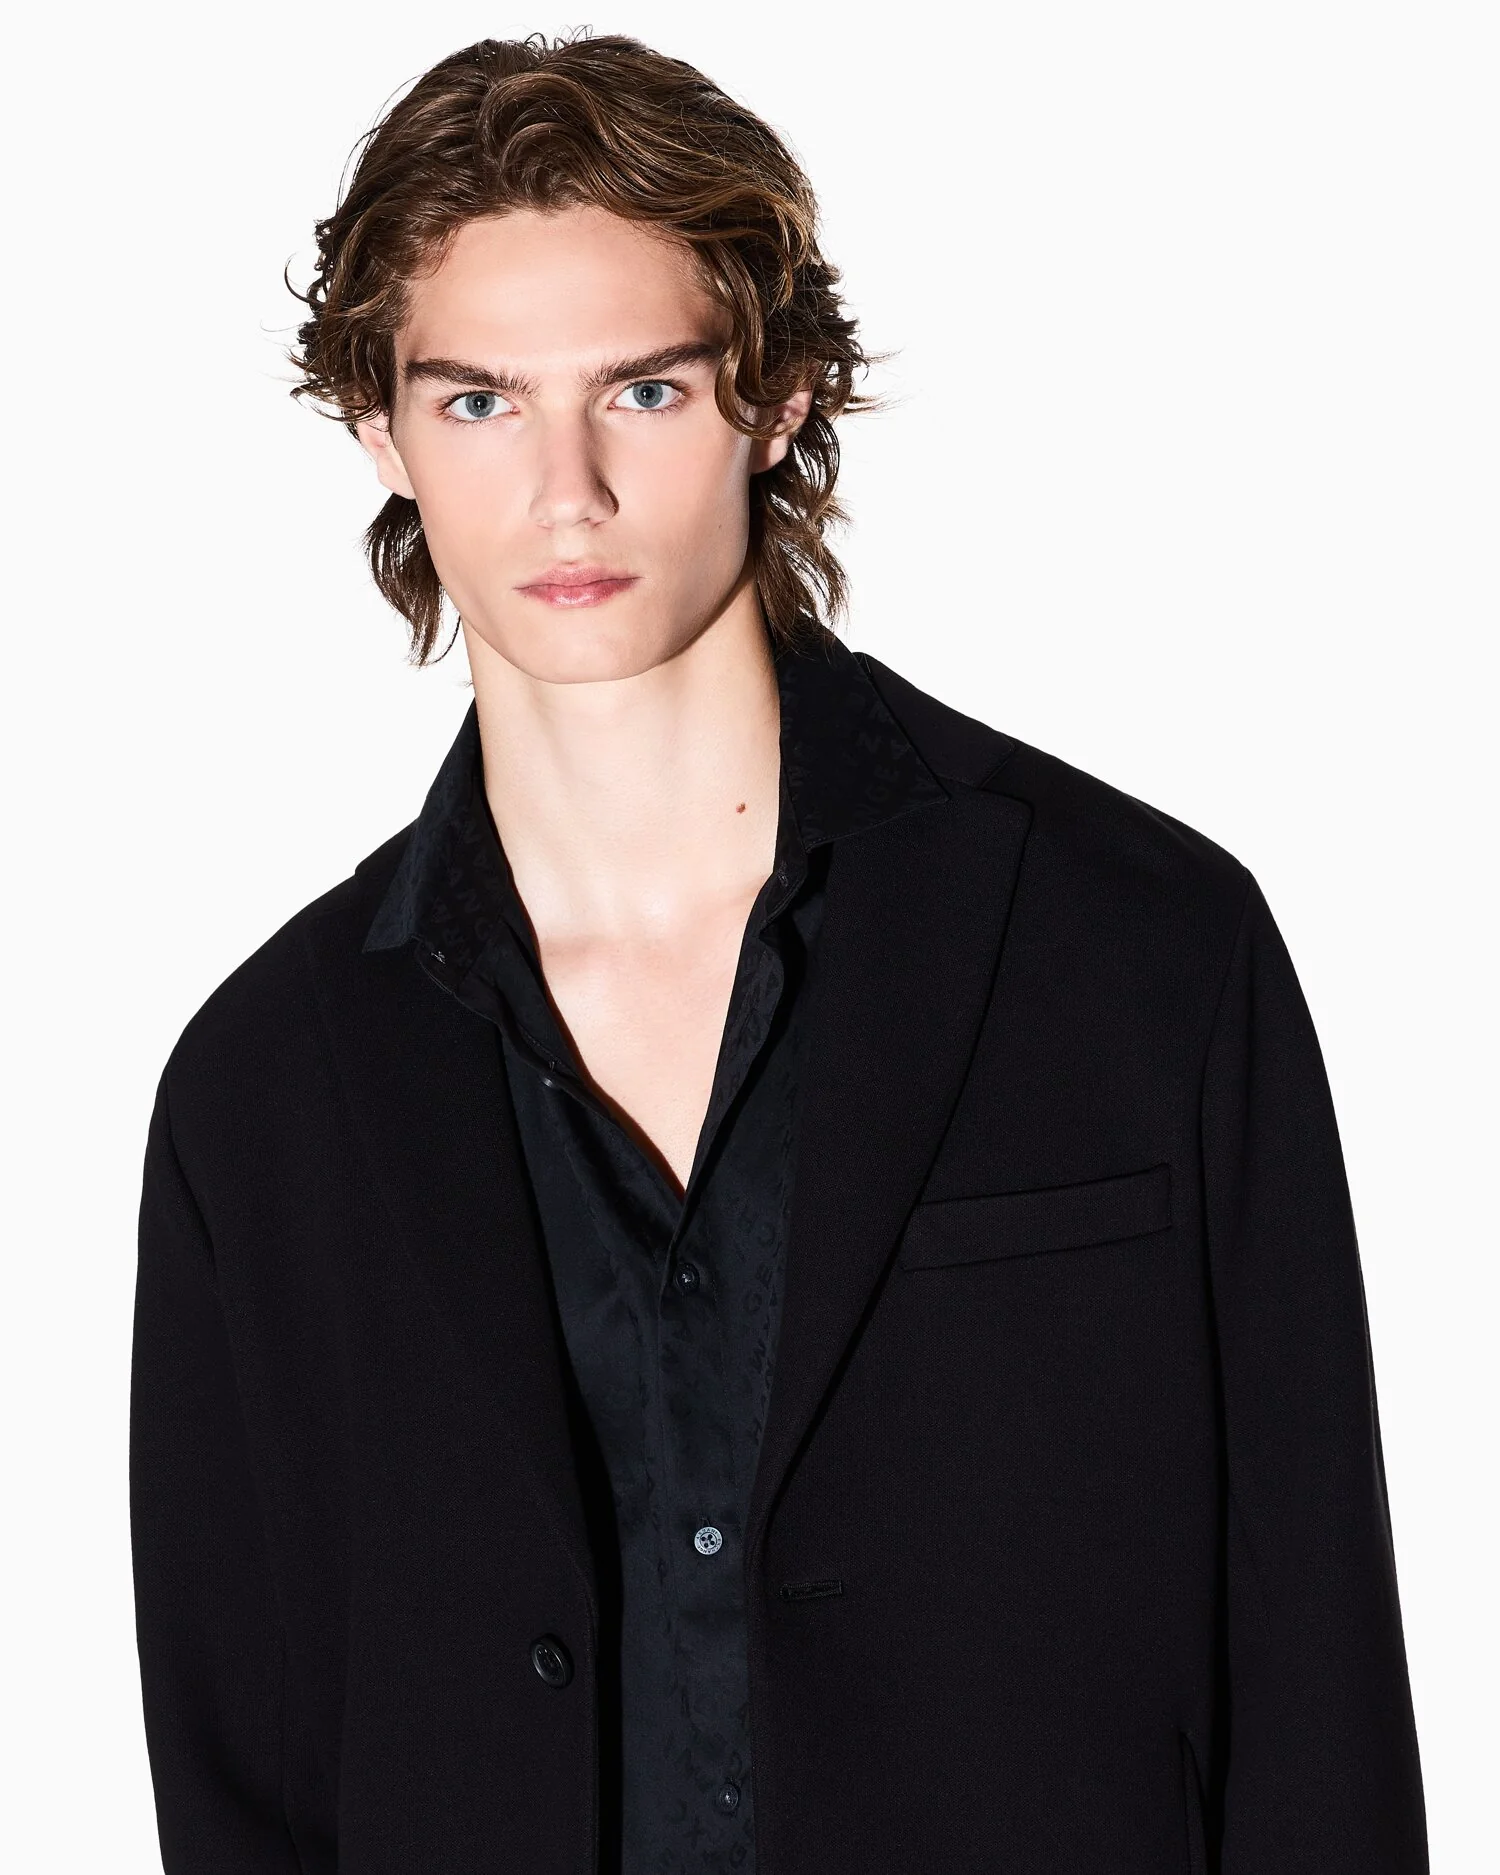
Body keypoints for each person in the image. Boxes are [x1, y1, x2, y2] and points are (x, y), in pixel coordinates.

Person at [129, 30, 1428, 1875]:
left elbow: (1312, 1687)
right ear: (381, 430)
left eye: (645, 391)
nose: (565, 489)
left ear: (778, 392)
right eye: (480, 400)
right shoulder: (265, 1089)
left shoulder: (1144, 951)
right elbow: (244, 1777)